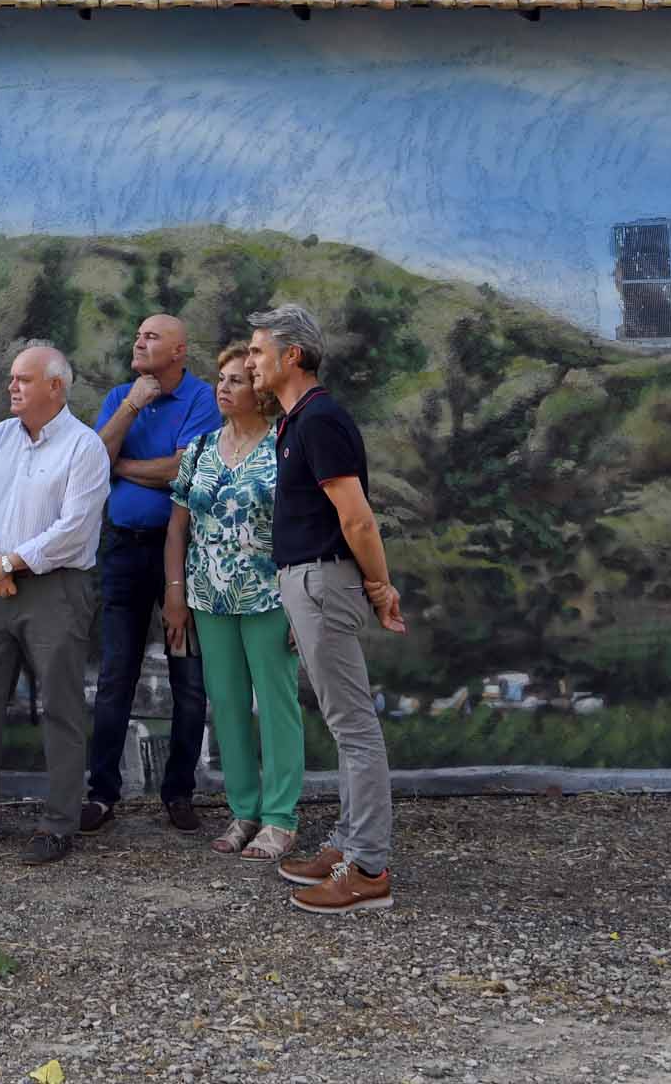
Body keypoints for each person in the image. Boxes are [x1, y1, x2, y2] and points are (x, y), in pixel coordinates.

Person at [247, 303, 406, 914]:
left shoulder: (320, 421)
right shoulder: (297, 422)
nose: (251, 361)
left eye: (259, 351)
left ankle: (367, 869)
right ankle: (344, 843)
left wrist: (381, 587)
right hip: (306, 582)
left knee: (354, 727)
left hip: (324, 582)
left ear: (293, 355)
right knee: (345, 725)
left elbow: (357, 517)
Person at [0, 342, 110, 866]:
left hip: (55, 590)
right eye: (12, 378)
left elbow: (74, 531)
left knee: (60, 707)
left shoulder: (84, 447)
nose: (12, 386)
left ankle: (58, 825)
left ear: (56, 386)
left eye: (24, 379)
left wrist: (9, 564)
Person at [163, 342, 302, 862]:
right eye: (220, 378)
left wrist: (299, 601)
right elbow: (178, 526)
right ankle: (244, 811)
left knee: (277, 705)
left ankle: (281, 818)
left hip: (269, 596)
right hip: (208, 597)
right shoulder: (200, 448)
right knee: (226, 707)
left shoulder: (284, 447)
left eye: (237, 380)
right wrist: (175, 594)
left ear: (261, 392)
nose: (223, 387)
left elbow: (307, 524)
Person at [84, 313, 222, 833]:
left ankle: (179, 792)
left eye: (152, 336)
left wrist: (123, 466)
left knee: (188, 678)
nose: (139, 341)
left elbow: (183, 470)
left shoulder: (200, 398)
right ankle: (101, 794)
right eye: (137, 334)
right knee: (117, 674)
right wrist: (130, 408)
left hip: (180, 559)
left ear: (179, 350)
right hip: (122, 554)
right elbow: (94, 459)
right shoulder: (123, 394)